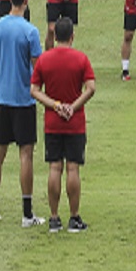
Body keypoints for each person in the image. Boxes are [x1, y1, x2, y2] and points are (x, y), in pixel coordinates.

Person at [0, 0, 46, 227]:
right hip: (23, 100)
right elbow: (38, 66)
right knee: (26, 155)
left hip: (4, 98)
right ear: (25, 1)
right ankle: (26, 213)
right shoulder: (30, 31)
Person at [31, 17, 96, 233]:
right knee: (73, 168)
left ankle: (54, 217)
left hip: (52, 122)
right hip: (75, 123)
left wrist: (55, 105)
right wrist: (72, 107)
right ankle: (74, 217)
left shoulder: (44, 60)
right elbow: (91, 88)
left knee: (54, 167)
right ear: (72, 36)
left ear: (54, 35)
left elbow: (34, 90)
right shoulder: (81, 59)